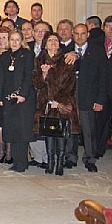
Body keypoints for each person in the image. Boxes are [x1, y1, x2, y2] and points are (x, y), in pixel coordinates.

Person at [33, 33, 80, 176]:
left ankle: (59, 163)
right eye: (50, 40)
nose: (53, 42)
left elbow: (70, 84)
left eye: (55, 40)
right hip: (45, 102)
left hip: (62, 101)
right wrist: (44, 75)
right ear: (45, 44)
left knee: (61, 133)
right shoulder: (39, 60)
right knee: (48, 133)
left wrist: (57, 102)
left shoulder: (66, 59)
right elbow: (37, 83)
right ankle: (50, 163)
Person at [0, 30, 35, 172]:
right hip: (8, 98)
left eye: (17, 40)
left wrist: (22, 94)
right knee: (12, 130)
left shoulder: (27, 55)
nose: (14, 42)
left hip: (23, 99)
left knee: (22, 131)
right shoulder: (5, 56)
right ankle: (16, 161)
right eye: (12, 39)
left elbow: (28, 75)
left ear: (22, 41)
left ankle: (22, 163)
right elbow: (1, 77)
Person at [73, 23, 107, 172]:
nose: (79, 36)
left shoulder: (98, 51)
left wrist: (100, 100)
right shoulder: (67, 51)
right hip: (71, 98)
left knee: (89, 130)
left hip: (89, 96)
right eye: (77, 33)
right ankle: (70, 157)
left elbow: (103, 77)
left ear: (87, 35)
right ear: (73, 35)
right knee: (71, 130)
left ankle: (90, 158)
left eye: (82, 33)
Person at [96, 15, 112, 158]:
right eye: (108, 26)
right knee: (100, 122)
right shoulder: (96, 43)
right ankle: (99, 149)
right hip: (101, 90)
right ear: (103, 28)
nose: (110, 29)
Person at [0, 27, 12, 163]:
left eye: (4, 37)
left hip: (8, 96)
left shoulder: (13, 56)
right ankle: (1, 151)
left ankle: (9, 153)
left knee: (8, 124)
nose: (2, 40)